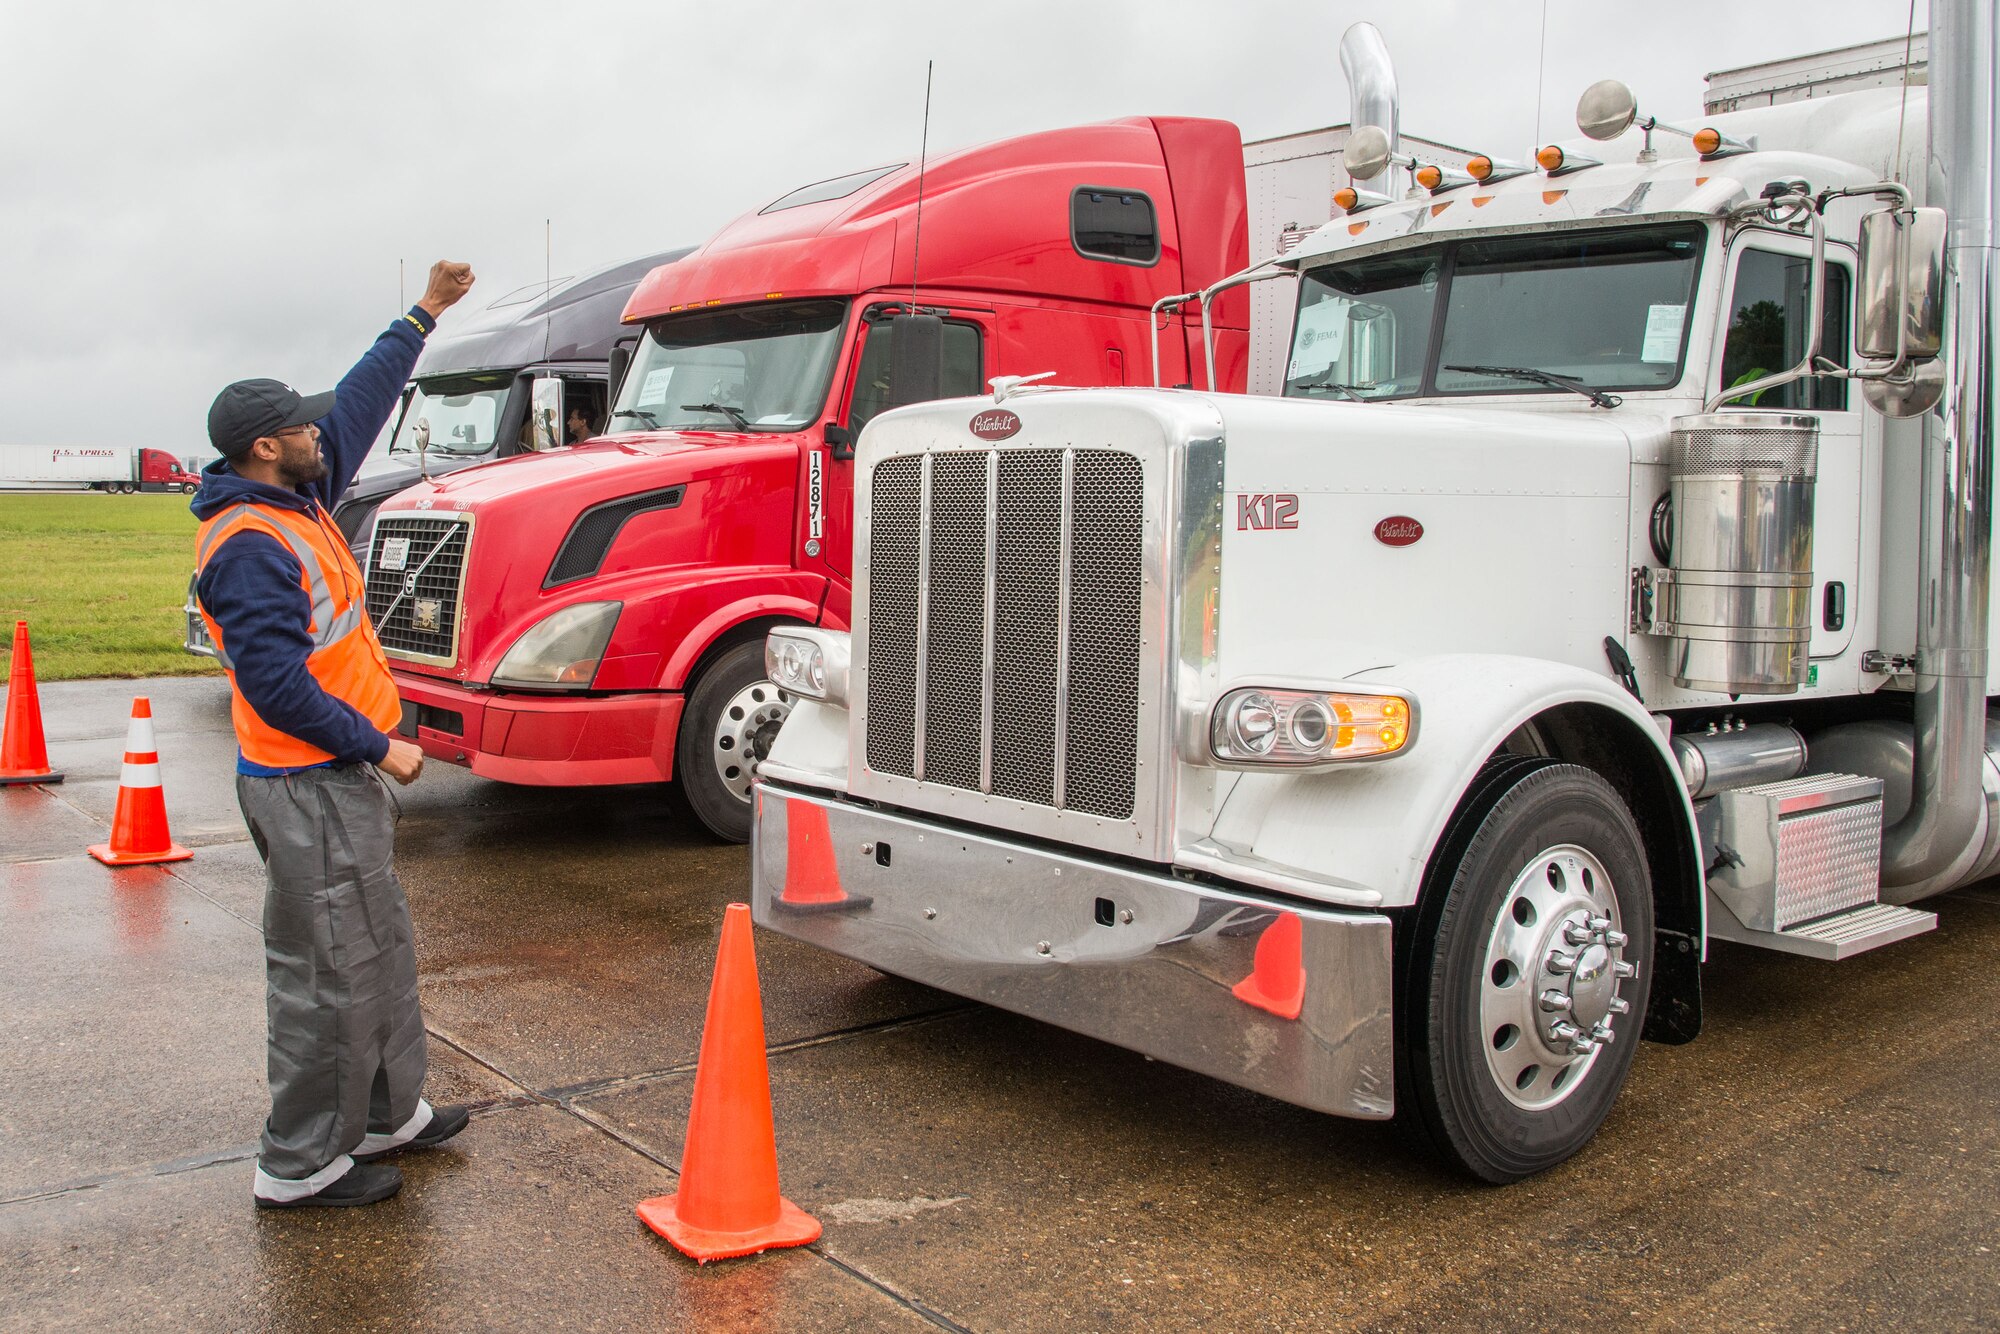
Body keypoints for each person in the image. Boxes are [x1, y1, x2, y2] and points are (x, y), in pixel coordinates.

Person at [191, 260, 477, 1209]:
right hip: (308, 778)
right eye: (306, 428)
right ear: (268, 447)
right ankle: (300, 1163)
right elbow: (274, 687)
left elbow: (359, 400)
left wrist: (424, 314)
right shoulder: (247, 546)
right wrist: (378, 744)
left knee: (379, 947)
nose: (327, 432)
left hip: (336, 779)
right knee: (324, 973)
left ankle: (390, 1114)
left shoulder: (296, 495)